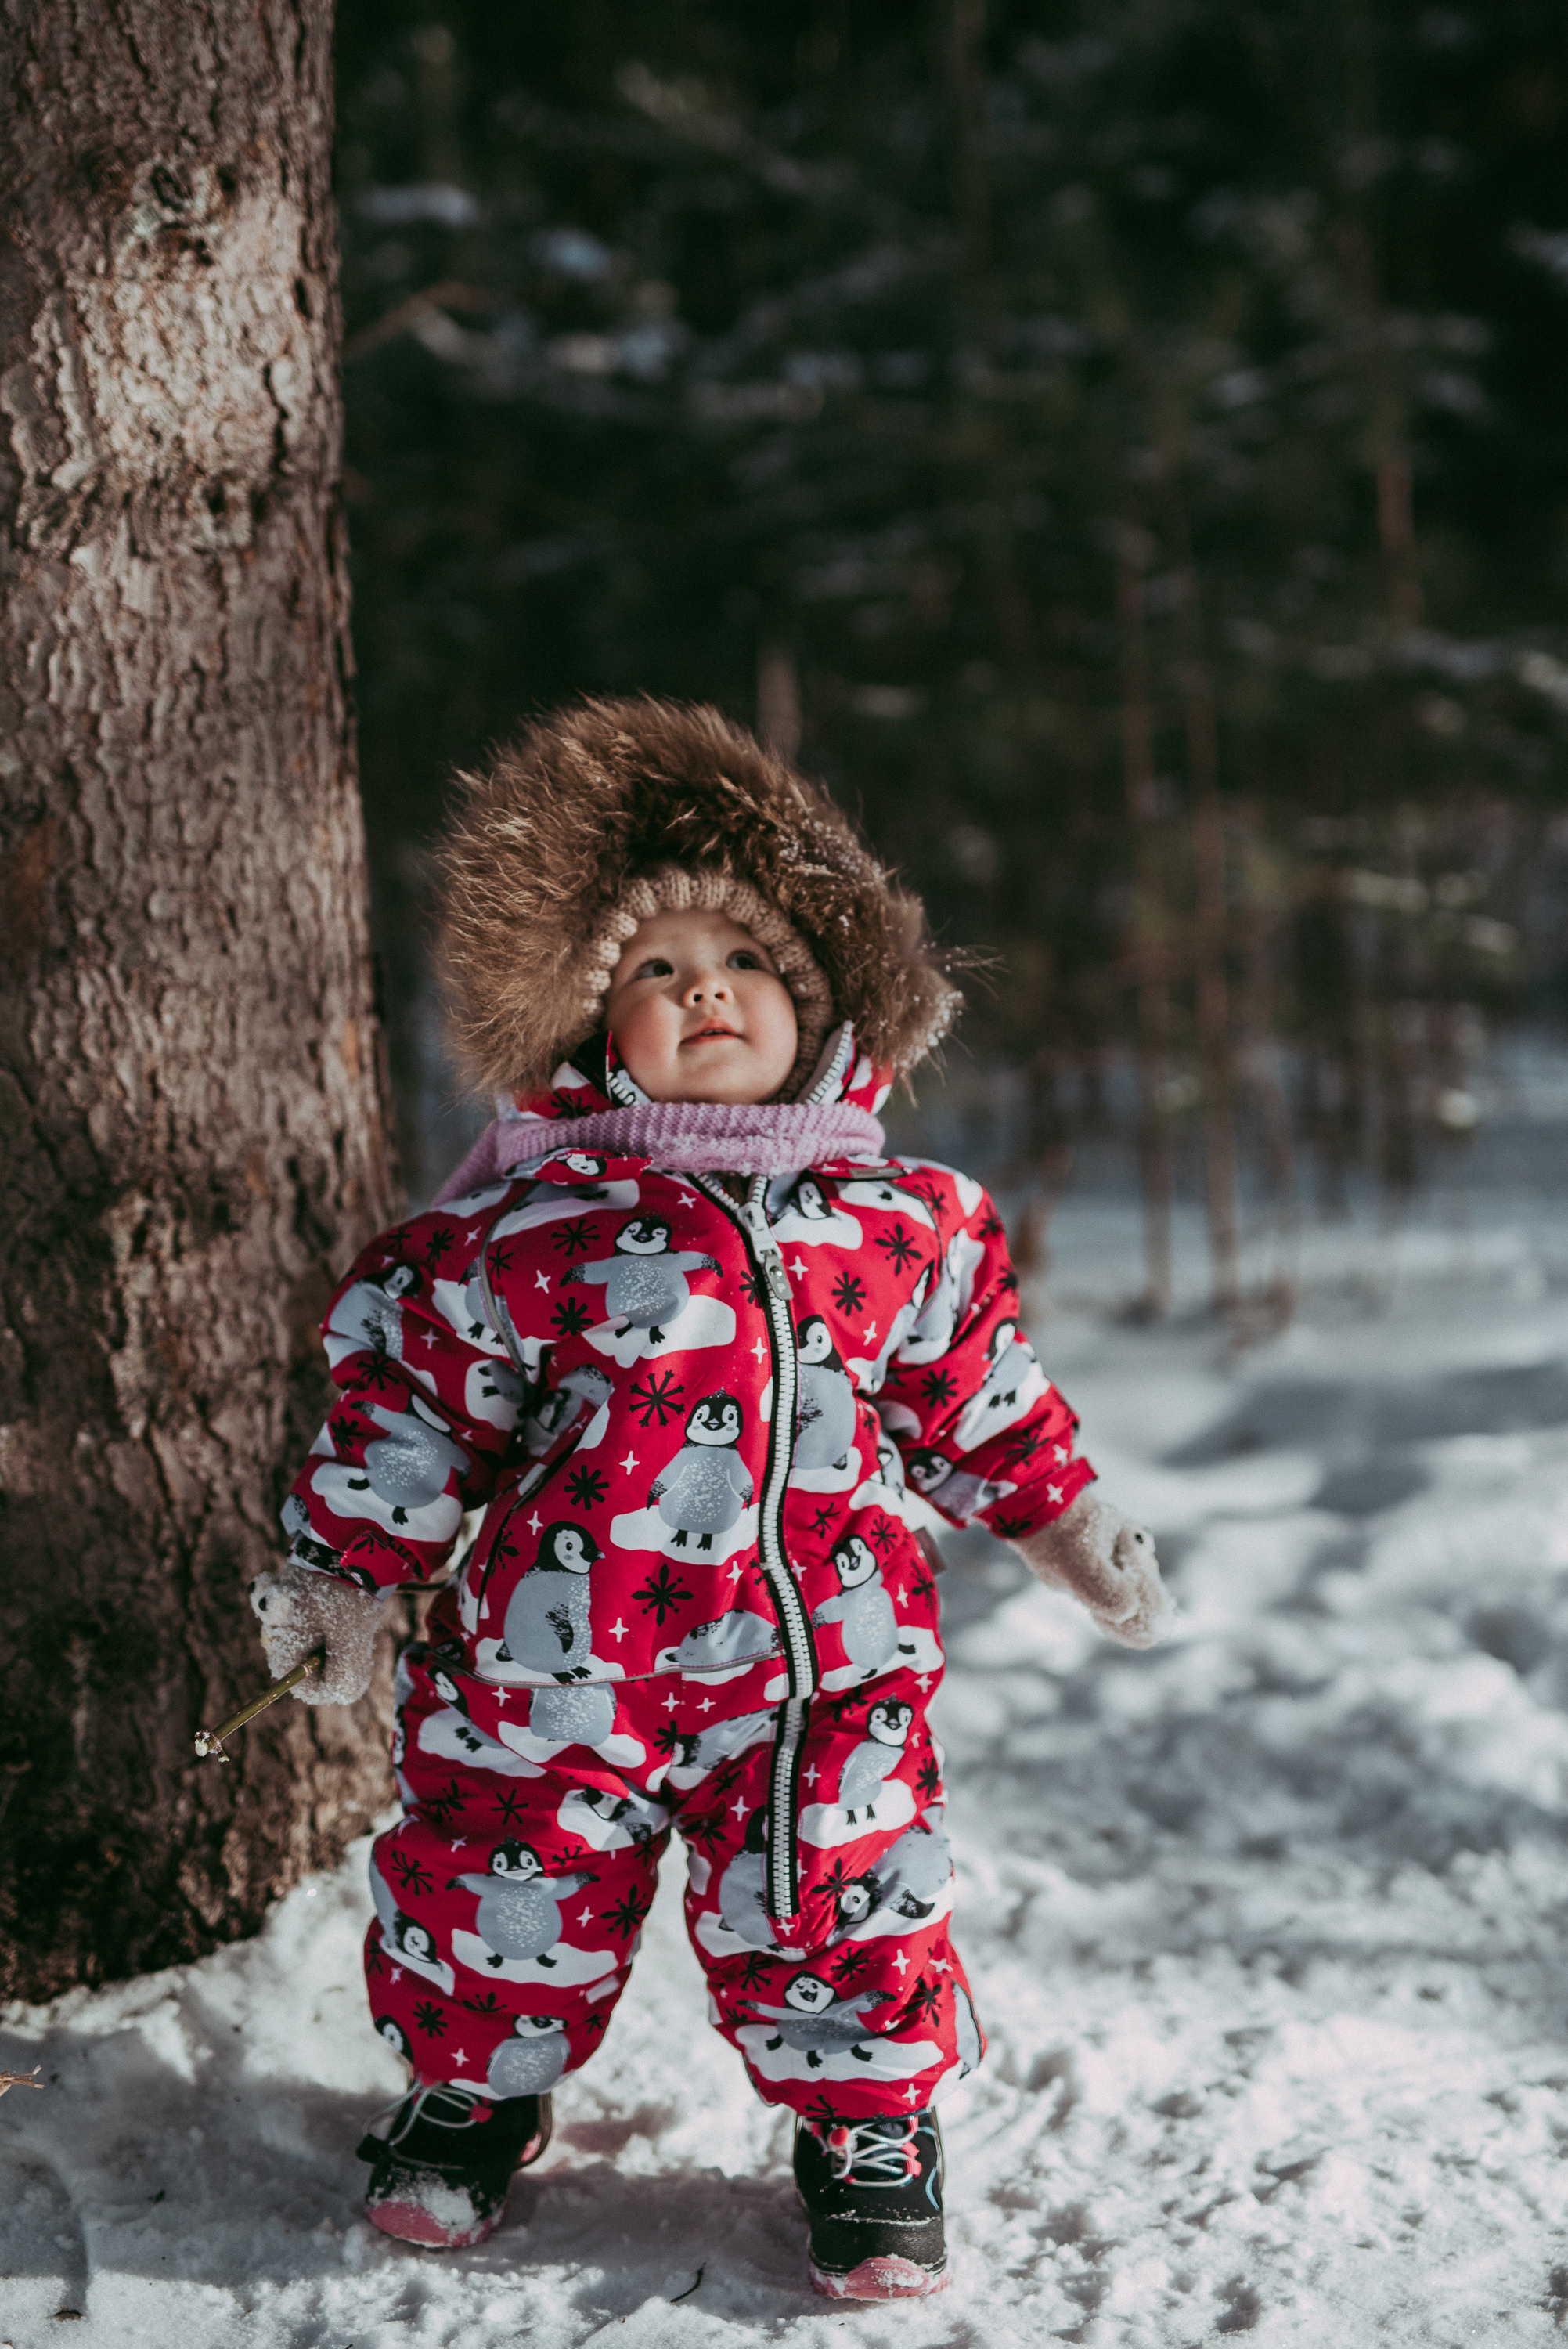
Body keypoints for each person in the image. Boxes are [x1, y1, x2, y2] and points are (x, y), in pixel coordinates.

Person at [249, 697, 1169, 2301]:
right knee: (498, 1881)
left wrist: (1060, 1517)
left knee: (841, 1888)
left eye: (744, 965)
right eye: (658, 973)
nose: (705, 992)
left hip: (823, 1670)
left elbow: (972, 1388)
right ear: (600, 1032)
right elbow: (410, 1408)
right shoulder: (530, 1232)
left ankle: (868, 2129)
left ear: (820, 1013)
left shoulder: (900, 1223)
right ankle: (476, 2091)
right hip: (557, 1674)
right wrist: (343, 1574)